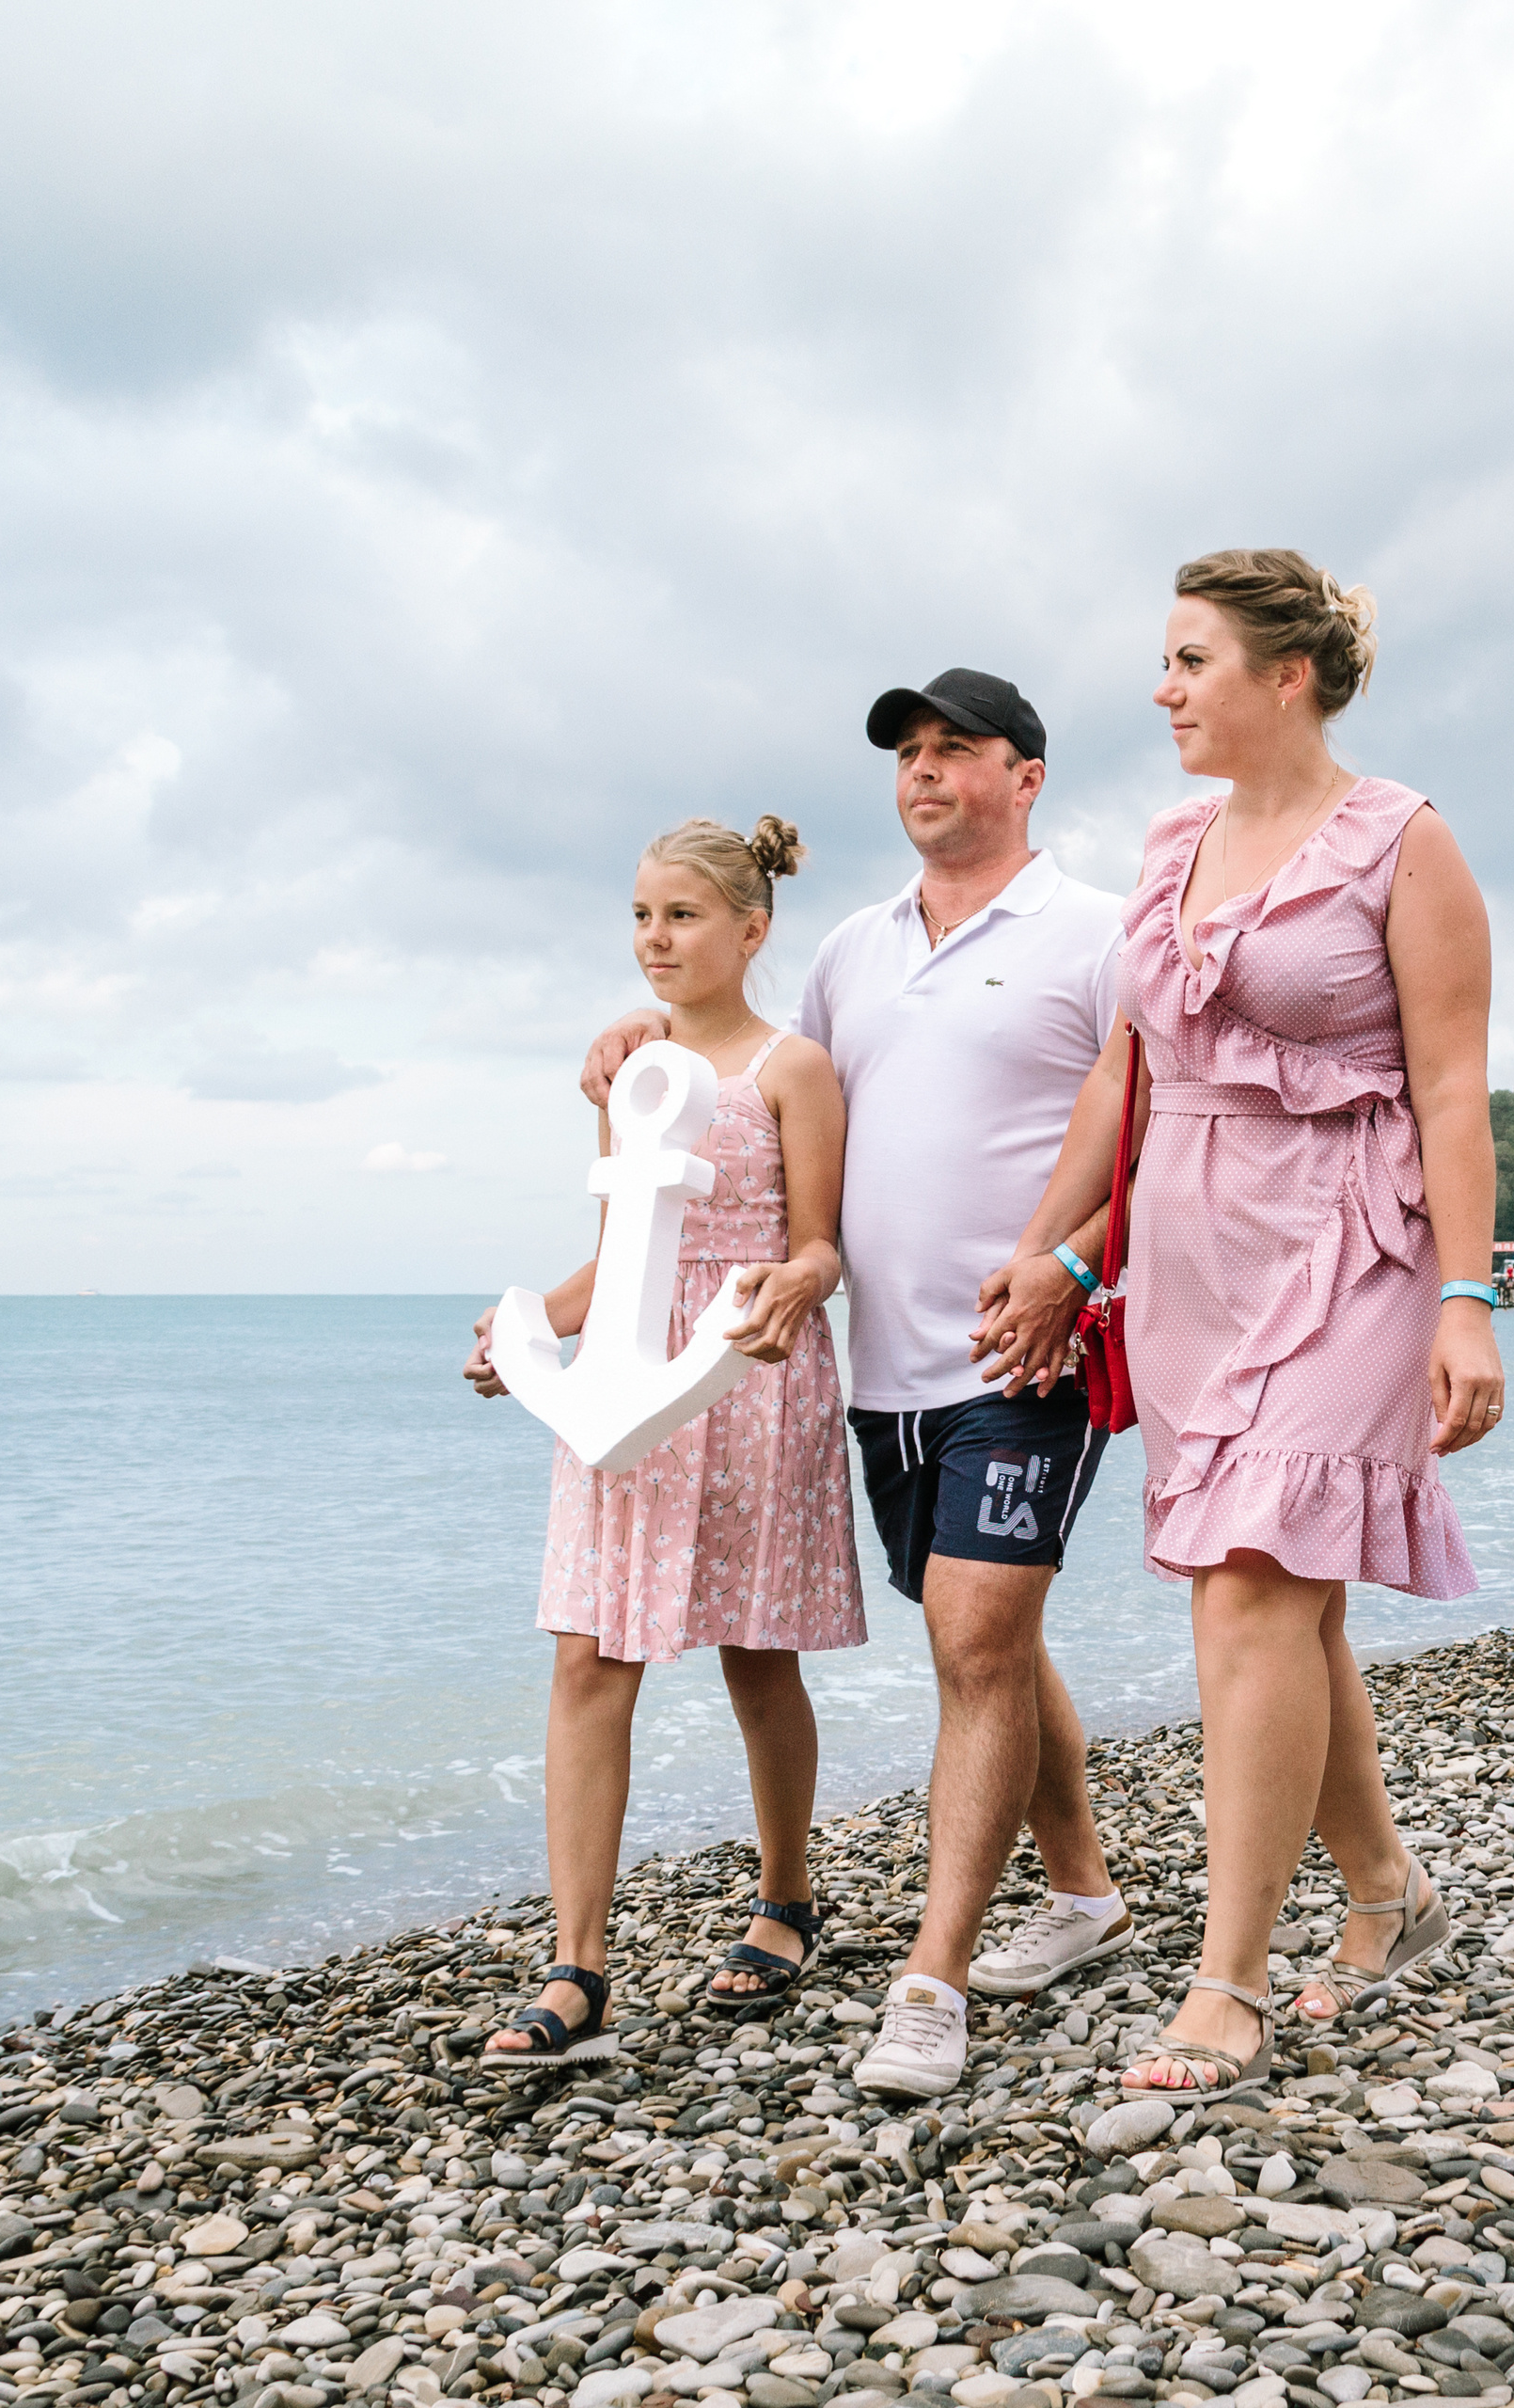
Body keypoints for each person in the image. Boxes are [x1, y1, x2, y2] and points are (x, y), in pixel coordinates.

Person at [980, 550, 1504, 2094]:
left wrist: (1468, 1301)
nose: (1163, 690)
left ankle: (1231, 1981)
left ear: (1289, 676)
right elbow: (1124, 1075)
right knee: (1280, 1598)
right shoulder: (1170, 846)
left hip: (1353, 1237)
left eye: (1191, 661)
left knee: (1254, 1588)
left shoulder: (1404, 841)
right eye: (1164, 661)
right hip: (1189, 1252)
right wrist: (1055, 1254)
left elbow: (1454, 1086)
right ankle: (1390, 1895)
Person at [582, 671, 1131, 2100]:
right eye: (909, 754)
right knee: (978, 1634)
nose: (925, 772)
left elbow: (1159, 1129)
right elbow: (756, 1081)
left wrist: (1073, 1268)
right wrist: (641, 1038)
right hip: (880, 1371)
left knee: (979, 1641)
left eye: (957, 750)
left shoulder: (1099, 931)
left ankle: (930, 1985)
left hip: (1031, 1349)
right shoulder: (849, 952)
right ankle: (1085, 1893)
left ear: (1028, 777)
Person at [465, 816, 868, 2062]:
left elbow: (822, 1246)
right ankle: (576, 1968)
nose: (655, 937)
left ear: (752, 929)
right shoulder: (629, 1070)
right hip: (625, 1386)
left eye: (682, 915)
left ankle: (786, 1900)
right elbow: (620, 1256)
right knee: (588, 1658)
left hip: (746, 1377)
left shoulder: (794, 1069)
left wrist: (797, 1285)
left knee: (758, 1653)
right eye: (641, 915)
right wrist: (525, 1331)